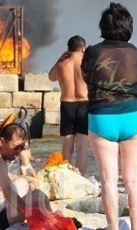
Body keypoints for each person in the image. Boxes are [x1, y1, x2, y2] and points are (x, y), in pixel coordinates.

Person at [82, 2, 137, 230]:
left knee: (108, 180)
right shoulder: (135, 52)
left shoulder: (91, 51)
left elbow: (87, 78)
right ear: (128, 27)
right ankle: (136, 228)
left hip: (101, 117)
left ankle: (112, 227)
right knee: (133, 179)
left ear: (103, 27)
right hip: (133, 116)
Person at [0, 123, 52, 230]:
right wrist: (29, 214)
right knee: (38, 196)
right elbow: (8, 192)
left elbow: (1, 176)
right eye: (16, 147)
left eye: (22, 148)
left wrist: (27, 179)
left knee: (21, 182)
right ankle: (55, 223)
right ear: (2, 142)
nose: (19, 152)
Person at [48, 34, 89, 175]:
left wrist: (59, 60)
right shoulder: (87, 63)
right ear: (82, 48)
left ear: (68, 49)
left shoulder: (61, 65)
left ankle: (65, 181)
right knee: (82, 150)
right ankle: (81, 180)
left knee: (66, 149)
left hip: (67, 105)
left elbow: (51, 77)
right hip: (84, 105)